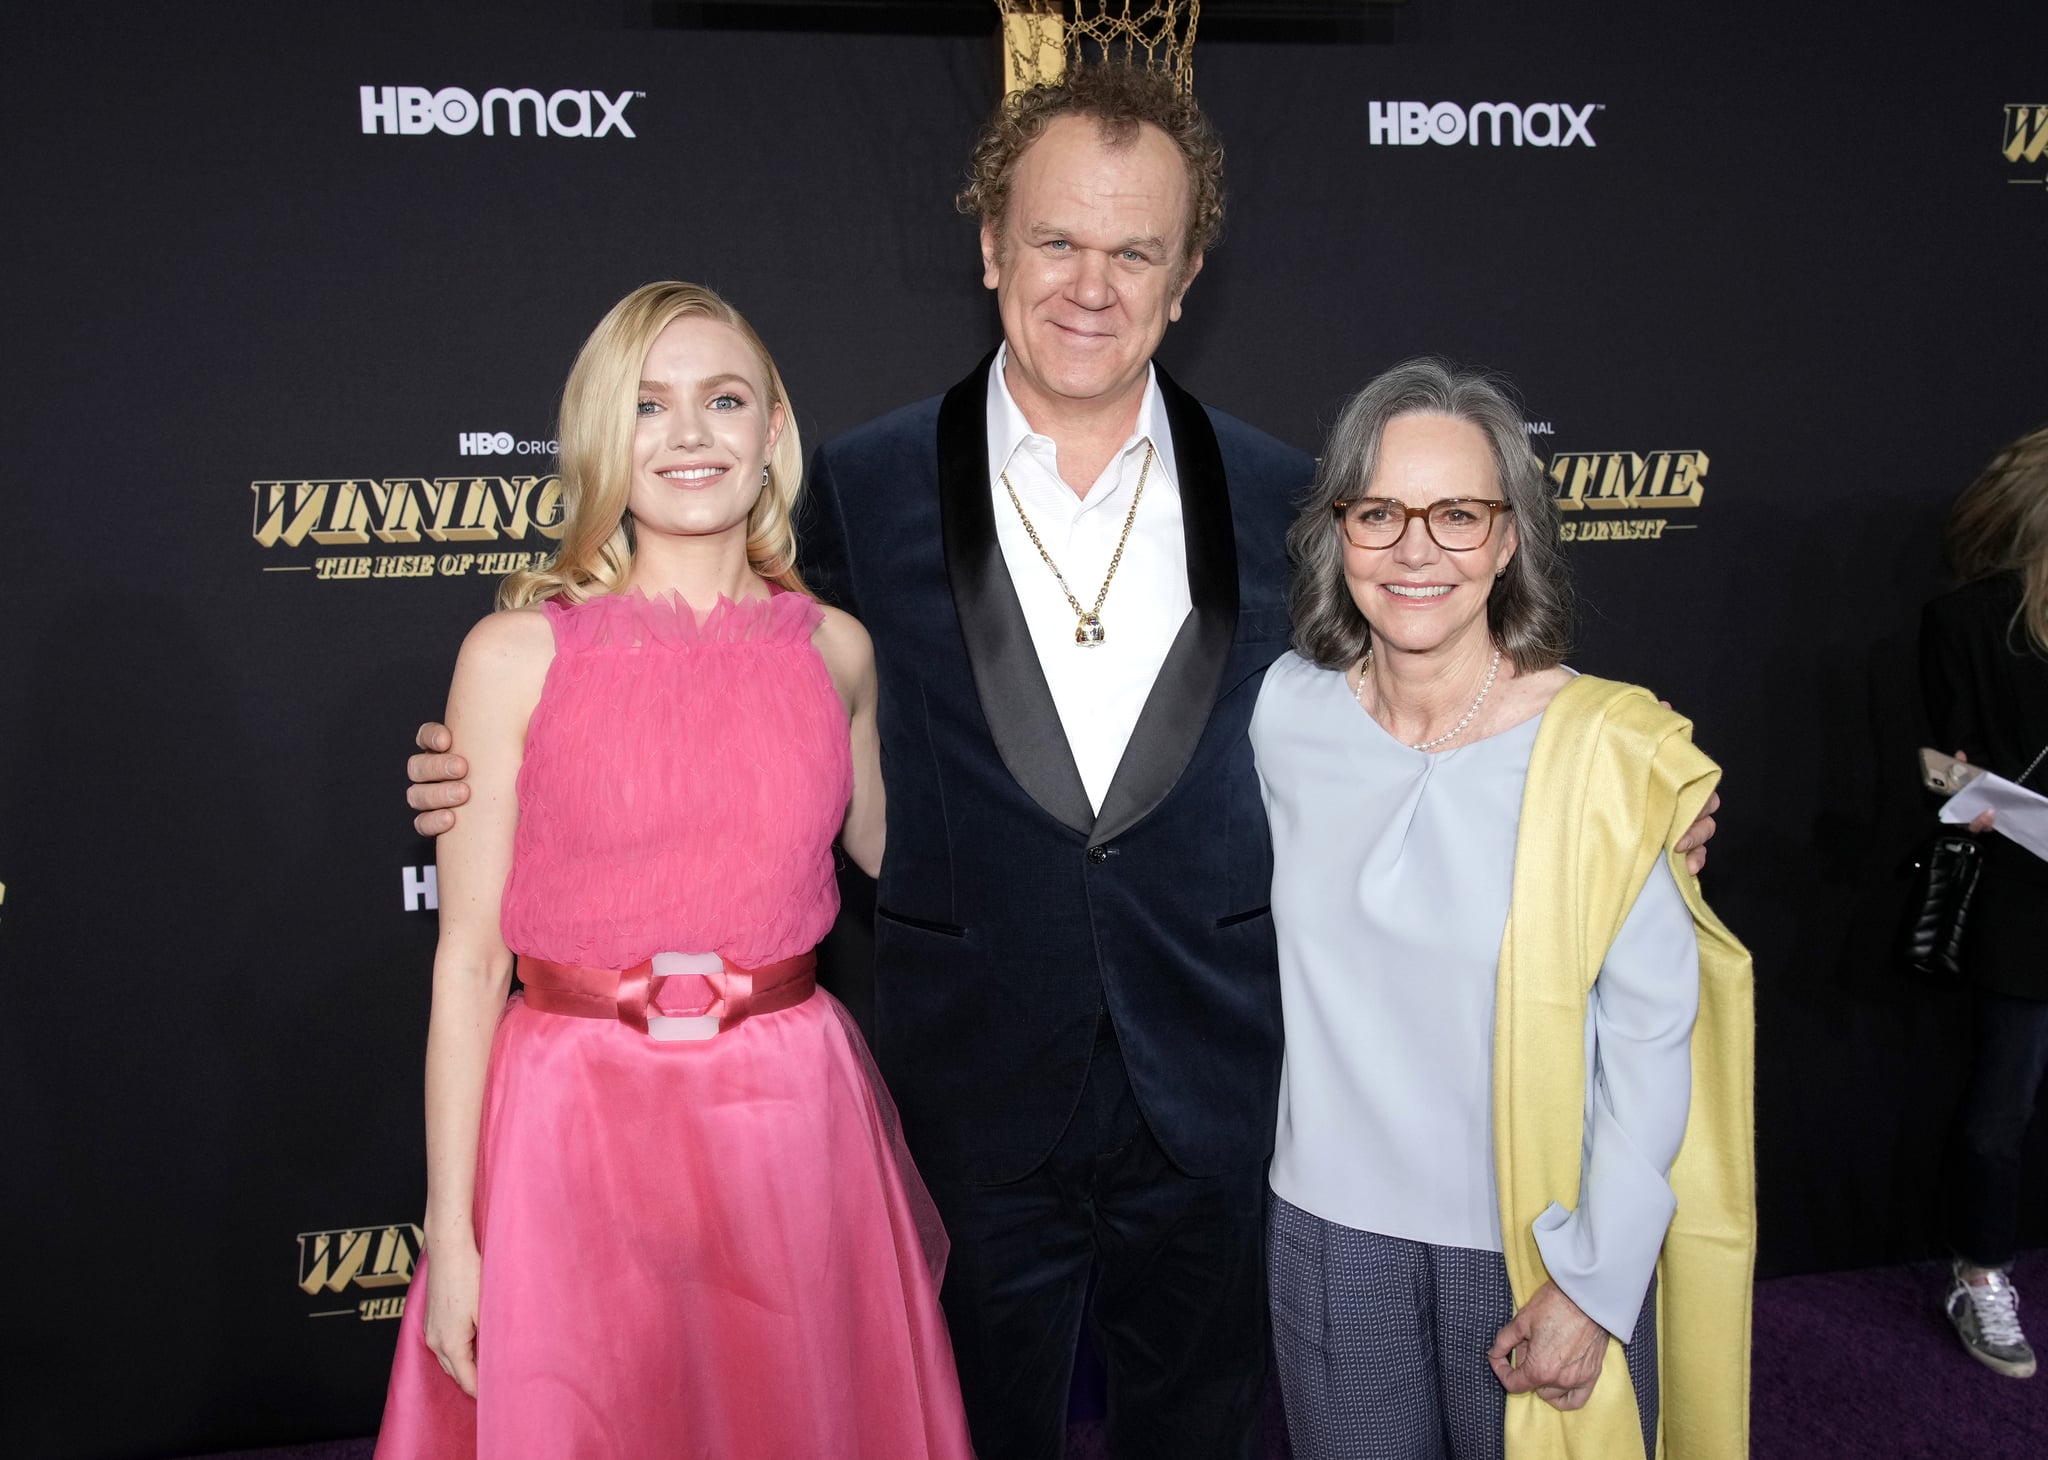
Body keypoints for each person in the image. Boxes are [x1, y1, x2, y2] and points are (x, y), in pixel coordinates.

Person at [407, 68, 1717, 1460]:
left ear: (1187, 272)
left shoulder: (1289, 501)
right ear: (990, 248)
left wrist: (1607, 786)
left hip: (1219, 1088)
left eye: (1134, 250)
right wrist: (492, 768)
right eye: (1055, 241)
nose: (1090, 284)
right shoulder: (860, 485)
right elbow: (719, 683)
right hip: (955, 1104)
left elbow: (1424, 679)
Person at [374, 282, 973, 1460]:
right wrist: (454, 1233)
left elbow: (912, 858)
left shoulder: (837, 649)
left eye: (723, 399)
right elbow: (468, 961)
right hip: (566, 1123)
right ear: (604, 436)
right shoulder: (512, 656)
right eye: (648, 404)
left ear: (769, 436)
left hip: (790, 1118)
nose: (689, 431)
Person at [1251, 360, 1753, 1460]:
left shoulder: (1607, 751)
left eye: (1457, 513)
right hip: (1328, 1237)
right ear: (1338, 530)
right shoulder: (1277, 714)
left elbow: (1649, 1037)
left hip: (1537, 1241)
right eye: (1378, 511)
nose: (1416, 549)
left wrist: (1596, 1279)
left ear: (1507, 536)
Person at [1923, 423, 2048, 1381]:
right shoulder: (1972, 620)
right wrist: (1960, 792)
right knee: (2001, 1105)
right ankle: (1982, 1276)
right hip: (2023, 896)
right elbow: (1944, 765)